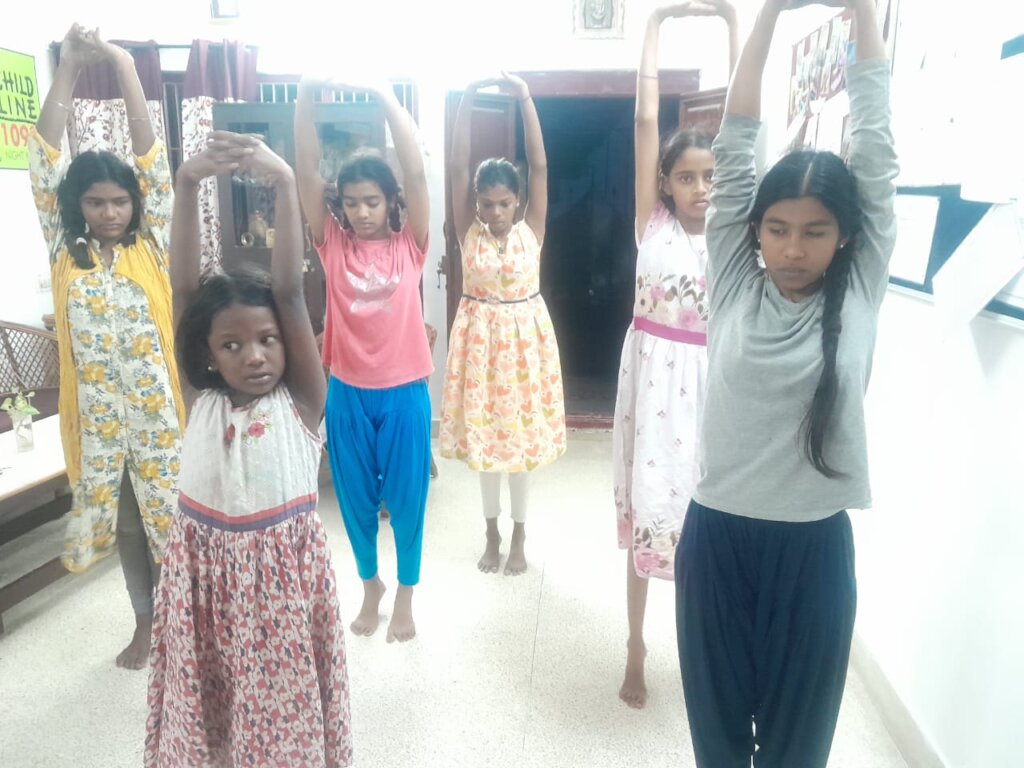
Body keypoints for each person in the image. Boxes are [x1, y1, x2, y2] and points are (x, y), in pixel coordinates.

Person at [674, 1, 897, 765]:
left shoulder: (859, 287)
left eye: (814, 231)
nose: (793, 249)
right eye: (778, 229)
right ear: (755, 229)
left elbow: (876, 148)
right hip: (717, 540)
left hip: (814, 552)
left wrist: (862, 9)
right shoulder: (737, 277)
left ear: (846, 235)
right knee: (719, 748)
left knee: (797, 754)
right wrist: (768, 11)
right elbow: (736, 142)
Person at [145, 131, 351, 767]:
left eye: (266, 340)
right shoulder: (201, 401)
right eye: (231, 346)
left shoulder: (301, 403)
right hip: (202, 582)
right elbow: (183, 293)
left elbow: (288, 292)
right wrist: (186, 185)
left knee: (276, 720)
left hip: (276, 593)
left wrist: (286, 184)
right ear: (208, 354)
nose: (254, 355)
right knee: (211, 717)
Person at [28, 24, 184, 669]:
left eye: (120, 201)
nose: (111, 212)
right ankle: (145, 624)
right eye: (96, 202)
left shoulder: (152, 244)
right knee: (125, 525)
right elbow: (42, 155)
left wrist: (122, 64)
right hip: (97, 423)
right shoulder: (65, 251)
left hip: (157, 420)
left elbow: (152, 159)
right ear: (78, 205)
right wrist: (67, 67)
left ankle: (181, 628)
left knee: (170, 524)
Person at [614, 0, 737, 710]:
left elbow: (748, 128)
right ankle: (636, 643)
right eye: (687, 176)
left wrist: (733, 24)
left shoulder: (735, 228)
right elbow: (643, 122)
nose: (701, 188)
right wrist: (655, 26)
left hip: (711, 388)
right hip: (652, 383)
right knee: (648, 513)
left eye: (710, 176)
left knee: (703, 522)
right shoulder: (651, 224)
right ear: (665, 183)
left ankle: (701, 648)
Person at [295, 75, 432, 643]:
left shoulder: (410, 245)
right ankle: (370, 584)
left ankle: (405, 594)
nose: (361, 212)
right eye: (351, 203)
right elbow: (307, 173)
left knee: (407, 503)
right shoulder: (334, 245)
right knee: (353, 503)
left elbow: (417, 173)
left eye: (372, 201)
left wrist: (386, 97)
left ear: (391, 202)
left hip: (405, 394)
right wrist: (305, 97)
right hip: (347, 393)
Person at [440, 73, 566, 577]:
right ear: (475, 202)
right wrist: (468, 97)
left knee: (518, 447)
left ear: (518, 201)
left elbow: (540, 165)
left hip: (524, 348)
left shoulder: (532, 230)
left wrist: (526, 97)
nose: (495, 212)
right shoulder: (466, 232)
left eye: (505, 203)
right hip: (478, 347)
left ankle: (519, 534)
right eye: (487, 203)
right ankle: (490, 531)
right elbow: (456, 166)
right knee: (487, 444)